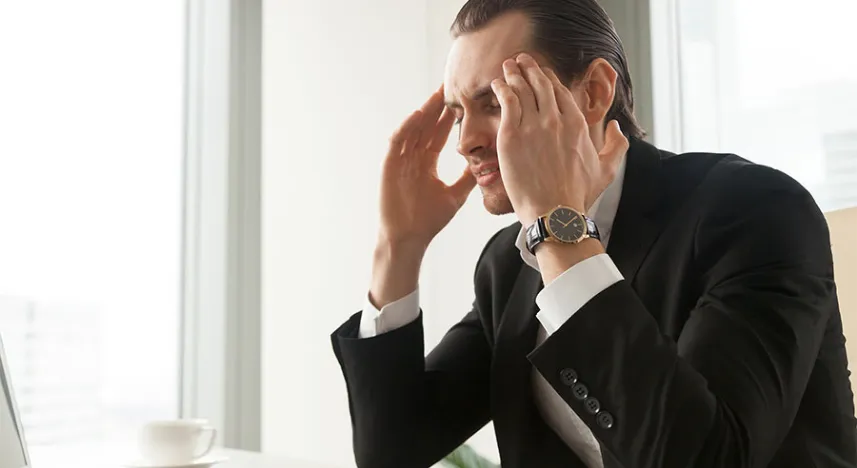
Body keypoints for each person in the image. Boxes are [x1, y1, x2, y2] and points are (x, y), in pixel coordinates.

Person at [330, 0, 857, 466]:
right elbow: (392, 451)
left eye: (495, 103)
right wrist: (399, 246)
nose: (465, 140)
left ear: (595, 93)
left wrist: (557, 229)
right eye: (456, 113)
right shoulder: (507, 265)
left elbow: (706, 456)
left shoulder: (754, 211)